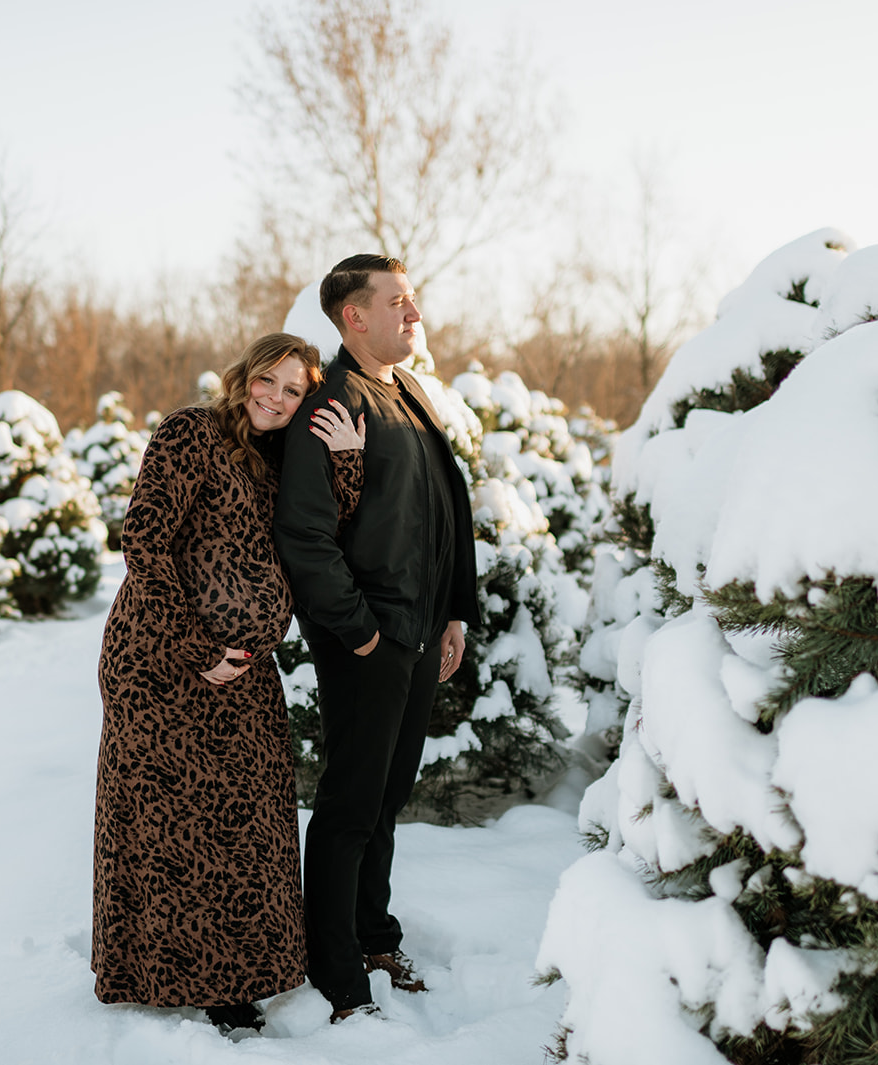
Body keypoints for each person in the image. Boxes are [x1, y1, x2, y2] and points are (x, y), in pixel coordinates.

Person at [91, 332, 367, 1035]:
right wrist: (196, 646)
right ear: (245, 376)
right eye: (266, 381)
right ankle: (190, 981)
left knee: (251, 818)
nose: (275, 398)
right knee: (173, 825)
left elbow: (321, 533)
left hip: (241, 667)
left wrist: (345, 460)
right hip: (161, 660)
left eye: (293, 390)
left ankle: (240, 974)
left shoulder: (284, 459)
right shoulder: (193, 433)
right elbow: (144, 542)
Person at [273, 254, 481, 1020]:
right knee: (352, 802)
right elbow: (305, 534)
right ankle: (336, 969)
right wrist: (359, 631)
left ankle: (372, 932)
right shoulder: (331, 404)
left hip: (420, 630)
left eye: (413, 300)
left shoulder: (407, 394)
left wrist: (452, 612)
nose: (414, 314)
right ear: (354, 316)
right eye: (398, 302)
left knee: (388, 796)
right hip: (370, 637)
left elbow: (442, 510)